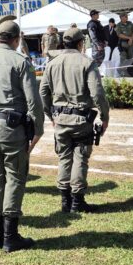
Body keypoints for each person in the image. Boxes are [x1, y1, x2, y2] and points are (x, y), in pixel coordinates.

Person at [0, 20, 44, 253]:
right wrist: (38, 129)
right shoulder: (20, 61)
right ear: (16, 39)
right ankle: (10, 236)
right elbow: (33, 100)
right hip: (12, 128)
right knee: (14, 177)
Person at [39, 27, 109, 214]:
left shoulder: (52, 63)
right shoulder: (87, 62)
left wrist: (50, 115)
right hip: (80, 119)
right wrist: (104, 116)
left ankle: (65, 200)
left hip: (60, 118)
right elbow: (97, 93)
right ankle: (77, 201)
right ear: (81, 43)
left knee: (64, 157)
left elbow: (43, 92)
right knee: (80, 158)